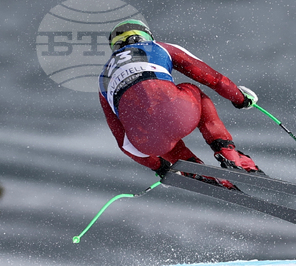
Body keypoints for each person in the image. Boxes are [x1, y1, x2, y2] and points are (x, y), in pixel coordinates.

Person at [98, 18, 262, 181]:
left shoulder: (102, 79)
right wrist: (239, 98)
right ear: (145, 36)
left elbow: (122, 141)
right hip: (179, 114)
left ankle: (191, 168)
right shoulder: (157, 47)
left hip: (146, 142)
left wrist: (159, 167)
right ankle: (227, 152)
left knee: (148, 127)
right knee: (193, 89)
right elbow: (213, 78)